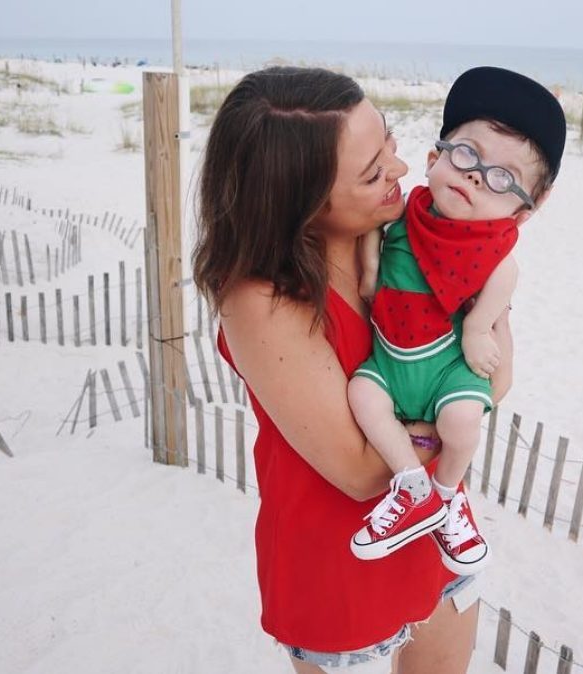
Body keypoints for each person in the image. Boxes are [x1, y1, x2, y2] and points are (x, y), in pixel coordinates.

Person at [194, 66, 508, 673]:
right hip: (342, 556)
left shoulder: (405, 230)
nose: (399, 169)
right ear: (302, 203)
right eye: (371, 172)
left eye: (388, 141)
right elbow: (364, 473)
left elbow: (499, 372)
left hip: (435, 529)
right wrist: (449, 410)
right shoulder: (260, 301)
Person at [347, 67, 567, 576]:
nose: (476, 176)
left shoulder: (493, 252)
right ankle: (412, 485)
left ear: (524, 210)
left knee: (463, 421)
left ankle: (447, 495)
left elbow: (504, 281)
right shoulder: (401, 215)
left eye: (503, 178)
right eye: (467, 154)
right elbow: (374, 240)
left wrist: (476, 328)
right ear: (433, 159)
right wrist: (372, 270)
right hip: (392, 358)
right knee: (363, 396)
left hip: (448, 367)